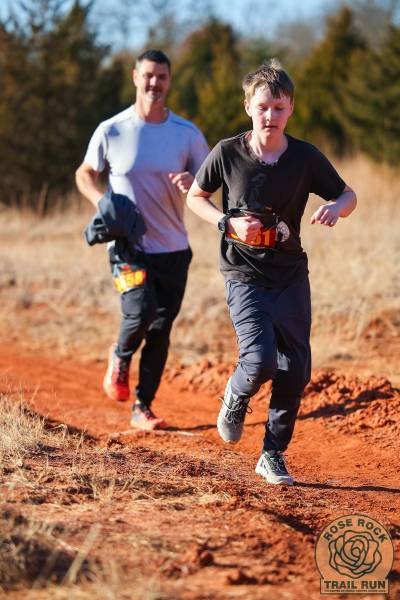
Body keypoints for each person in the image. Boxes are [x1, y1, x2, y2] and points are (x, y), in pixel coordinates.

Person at [187, 59, 356, 485]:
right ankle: (236, 393)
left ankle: (272, 454)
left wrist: (336, 207)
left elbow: (348, 194)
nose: (270, 116)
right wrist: (226, 223)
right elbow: (196, 196)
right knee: (260, 360)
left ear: (291, 108)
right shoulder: (227, 153)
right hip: (243, 273)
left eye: (279, 108)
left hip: (290, 275)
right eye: (262, 107)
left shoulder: (304, 157)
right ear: (248, 106)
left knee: (295, 369)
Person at [76, 49, 209, 430]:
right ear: (135, 77)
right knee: (141, 310)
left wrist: (193, 182)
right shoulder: (112, 129)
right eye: (148, 75)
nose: (154, 83)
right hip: (128, 247)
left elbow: (208, 181)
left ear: (169, 81)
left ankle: (143, 407)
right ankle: (120, 356)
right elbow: (85, 173)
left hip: (174, 249)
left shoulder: (186, 134)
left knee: (160, 331)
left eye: (161, 76)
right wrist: (103, 203)